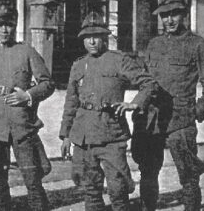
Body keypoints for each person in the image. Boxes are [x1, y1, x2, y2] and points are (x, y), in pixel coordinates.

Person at [131, 0, 204, 211]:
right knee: (148, 172)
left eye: (174, 13)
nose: (169, 19)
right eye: (164, 15)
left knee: (189, 175)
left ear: (184, 15)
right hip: (152, 121)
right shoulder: (154, 45)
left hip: (180, 124)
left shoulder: (197, 45)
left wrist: (195, 113)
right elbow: (144, 81)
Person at [59, 12, 158, 211]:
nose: (92, 41)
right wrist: (66, 136)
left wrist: (135, 104)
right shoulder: (78, 65)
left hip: (111, 135)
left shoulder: (119, 60)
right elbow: (71, 102)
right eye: (88, 37)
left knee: (118, 188)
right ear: (83, 40)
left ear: (105, 38)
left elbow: (149, 83)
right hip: (84, 136)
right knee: (90, 189)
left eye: (97, 36)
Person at [0, 4, 54, 211]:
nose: (4, 30)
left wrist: (28, 95)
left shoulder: (26, 51)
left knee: (32, 177)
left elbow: (47, 83)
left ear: (15, 26)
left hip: (21, 124)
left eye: (8, 25)